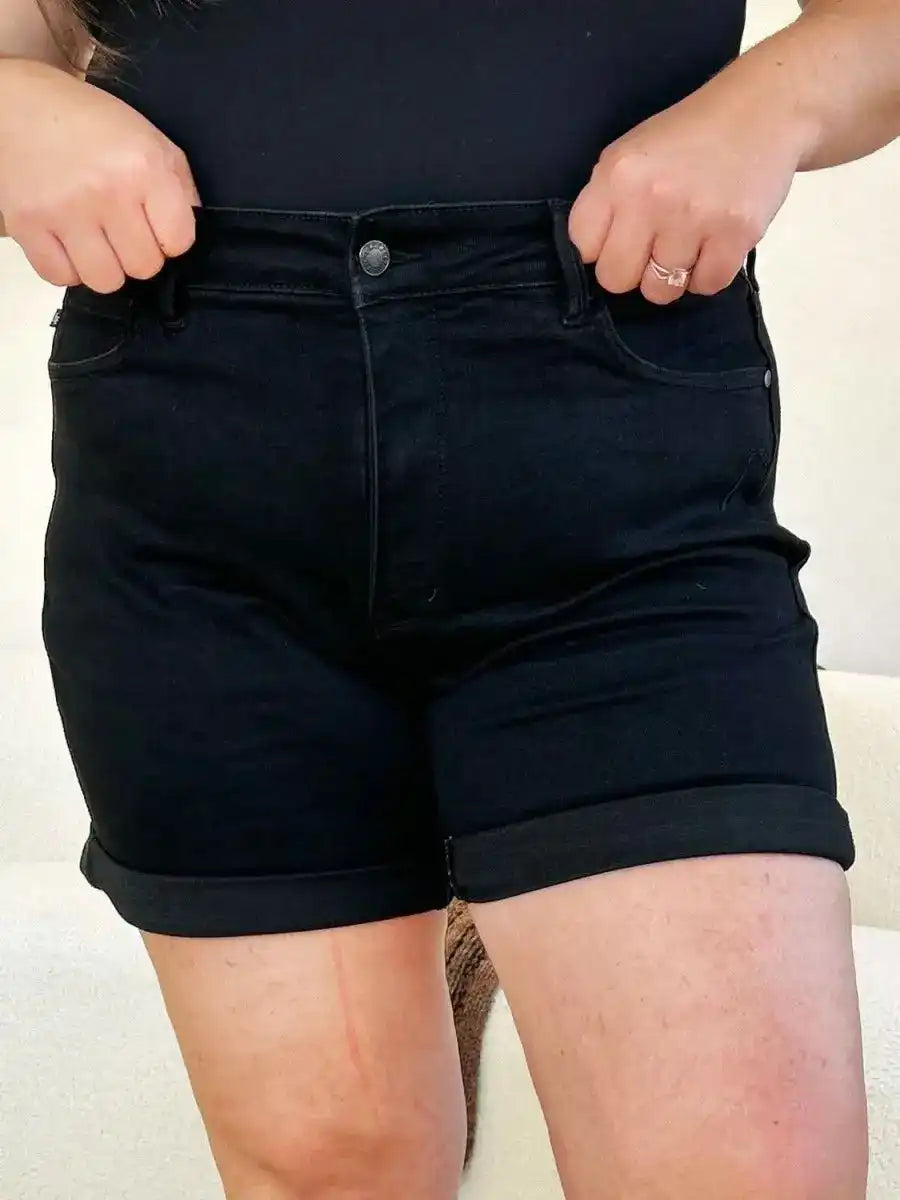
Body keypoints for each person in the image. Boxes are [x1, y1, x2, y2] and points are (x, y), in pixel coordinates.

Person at [1, 1, 896, 1196]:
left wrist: (766, 108)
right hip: (198, 476)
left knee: (745, 1167)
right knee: (332, 1170)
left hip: (606, 458)